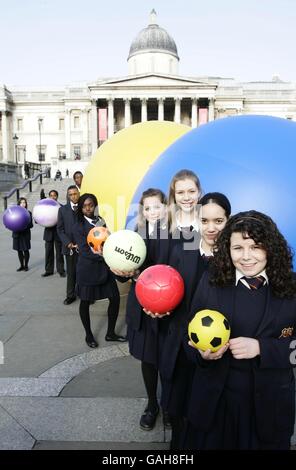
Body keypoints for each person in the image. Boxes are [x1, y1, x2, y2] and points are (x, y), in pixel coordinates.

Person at [182, 210, 296, 450]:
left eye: (255, 247)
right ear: (227, 249)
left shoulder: (292, 288)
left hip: (268, 408)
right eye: (238, 248)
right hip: (215, 406)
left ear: (271, 248)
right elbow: (188, 337)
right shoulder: (211, 281)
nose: (246, 257)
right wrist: (202, 355)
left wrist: (262, 348)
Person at [114, 188, 168, 431]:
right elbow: (125, 275)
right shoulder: (134, 236)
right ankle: (151, 405)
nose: (153, 212)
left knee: (169, 360)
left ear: (166, 207)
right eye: (148, 208)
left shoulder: (179, 236)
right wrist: (120, 270)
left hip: (170, 309)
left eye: (157, 206)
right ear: (142, 211)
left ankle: (169, 405)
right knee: (148, 359)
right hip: (143, 309)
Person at [73, 193, 126, 348]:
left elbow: (108, 240)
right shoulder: (79, 225)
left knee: (115, 299)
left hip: (104, 270)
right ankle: (88, 335)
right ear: (81, 208)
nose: (88, 208)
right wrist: (106, 255)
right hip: (88, 270)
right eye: (85, 206)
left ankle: (110, 333)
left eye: (91, 205)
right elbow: (84, 251)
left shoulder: (100, 220)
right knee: (85, 302)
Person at [57, 185, 80, 305]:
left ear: (79, 193)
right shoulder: (63, 210)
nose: (73, 196)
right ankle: (70, 295)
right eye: (70, 194)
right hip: (70, 247)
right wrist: (68, 243)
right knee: (71, 272)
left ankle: (86, 294)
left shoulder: (84, 207)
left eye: (75, 194)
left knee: (84, 271)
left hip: (83, 247)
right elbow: (60, 229)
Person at [41, 190, 65, 278]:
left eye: (54, 195)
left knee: (59, 253)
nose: (53, 197)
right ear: (49, 196)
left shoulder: (61, 207)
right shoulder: (45, 207)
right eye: (51, 195)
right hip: (48, 233)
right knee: (48, 253)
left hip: (58, 234)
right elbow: (38, 218)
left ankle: (61, 270)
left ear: (57, 196)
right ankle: (48, 270)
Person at [12, 197, 33, 272]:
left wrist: (24, 225)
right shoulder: (14, 212)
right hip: (17, 234)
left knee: (25, 250)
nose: (23, 204)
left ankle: (26, 265)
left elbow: (31, 225)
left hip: (25, 234)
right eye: (21, 202)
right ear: (19, 204)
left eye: (24, 202)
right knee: (19, 250)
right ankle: (21, 265)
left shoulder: (28, 213)